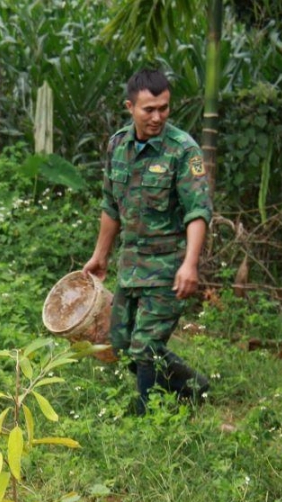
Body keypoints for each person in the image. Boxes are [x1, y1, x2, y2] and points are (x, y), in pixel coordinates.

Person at [83, 68, 212, 415]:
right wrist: (100, 256)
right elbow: (111, 207)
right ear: (130, 107)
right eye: (149, 109)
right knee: (122, 343)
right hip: (131, 264)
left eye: (164, 108)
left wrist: (190, 264)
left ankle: (145, 418)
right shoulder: (118, 145)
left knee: (147, 345)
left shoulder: (183, 150)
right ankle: (192, 386)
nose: (157, 117)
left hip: (168, 266)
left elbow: (198, 211)